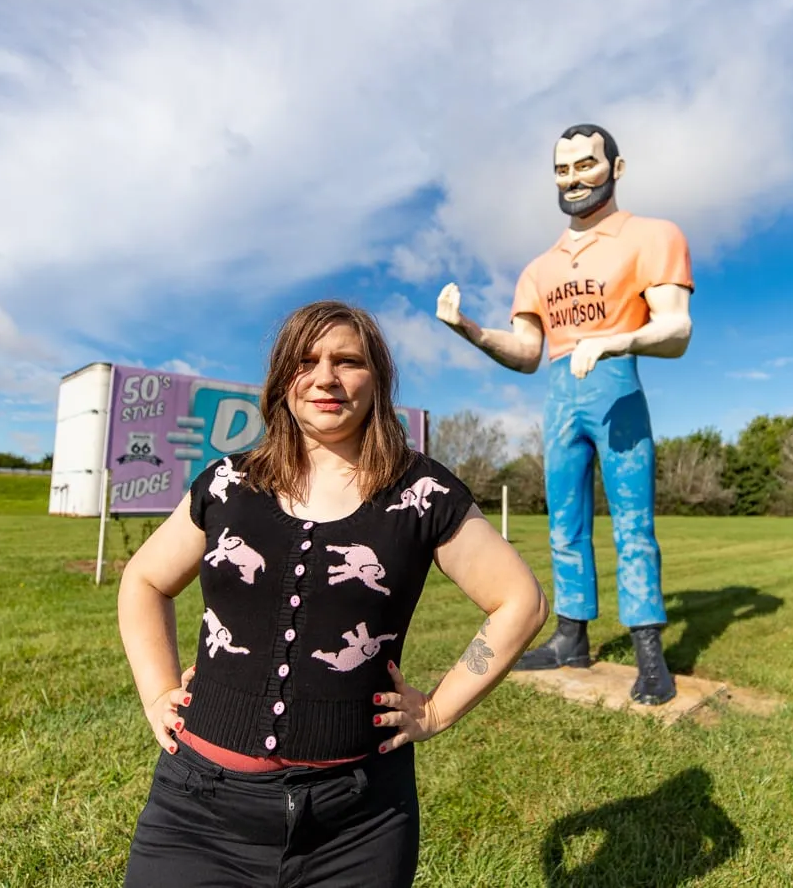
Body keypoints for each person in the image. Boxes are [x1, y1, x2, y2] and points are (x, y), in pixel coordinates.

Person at [117, 300, 549, 887]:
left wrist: (440, 707)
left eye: (348, 361)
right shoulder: (227, 483)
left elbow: (520, 601)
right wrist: (157, 692)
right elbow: (144, 580)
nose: (325, 377)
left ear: (377, 380)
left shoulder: (422, 492)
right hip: (198, 811)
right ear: (281, 378)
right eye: (306, 360)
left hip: (361, 823)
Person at [435, 123, 693, 706]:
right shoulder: (540, 266)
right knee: (564, 522)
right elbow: (527, 352)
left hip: (616, 390)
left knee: (633, 523)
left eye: (586, 165)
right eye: (562, 168)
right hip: (560, 396)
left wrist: (614, 342)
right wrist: (470, 329)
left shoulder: (652, 236)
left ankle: (649, 652)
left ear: (616, 169)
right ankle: (570, 637)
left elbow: (677, 328)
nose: (573, 178)